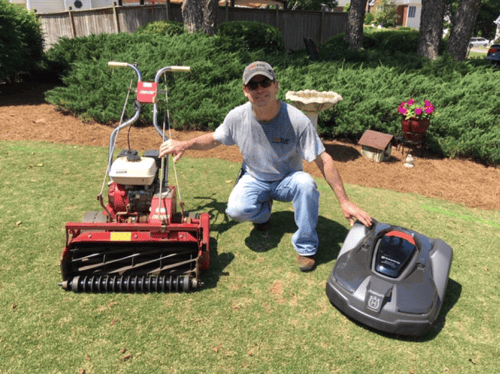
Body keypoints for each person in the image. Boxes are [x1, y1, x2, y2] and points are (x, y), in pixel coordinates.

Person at [159, 61, 372, 272]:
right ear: (245, 91)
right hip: (254, 177)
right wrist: (184, 144)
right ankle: (264, 213)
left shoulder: (297, 120)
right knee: (235, 210)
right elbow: (215, 138)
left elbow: (323, 159)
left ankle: (306, 247)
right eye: (253, 85)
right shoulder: (237, 117)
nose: (260, 89)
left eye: (265, 83)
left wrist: (345, 202)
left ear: (276, 86)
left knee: (306, 184)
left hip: (288, 179)